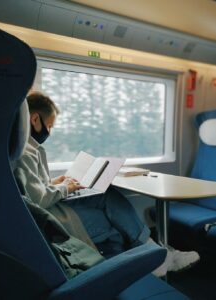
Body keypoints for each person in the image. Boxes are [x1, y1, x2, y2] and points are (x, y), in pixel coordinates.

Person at [14, 91, 200, 277]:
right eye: (49, 126)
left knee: (106, 194)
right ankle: (160, 257)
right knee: (114, 220)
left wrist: (56, 182)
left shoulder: (29, 149)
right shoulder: (25, 153)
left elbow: (34, 187)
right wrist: (66, 188)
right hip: (53, 217)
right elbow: (37, 199)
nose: (49, 132)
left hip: (54, 207)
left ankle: (154, 255)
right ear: (34, 119)